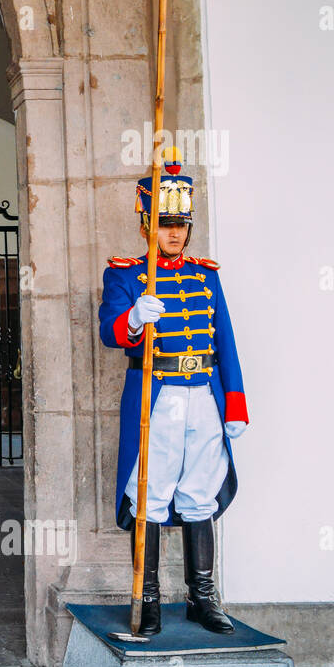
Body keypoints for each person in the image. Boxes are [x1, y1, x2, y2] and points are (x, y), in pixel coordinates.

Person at [97, 149, 247, 636]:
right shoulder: (125, 273)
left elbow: (224, 338)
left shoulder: (207, 274)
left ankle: (203, 598)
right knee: (151, 493)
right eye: (165, 222)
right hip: (155, 396)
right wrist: (133, 318)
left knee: (200, 491)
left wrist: (235, 402)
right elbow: (109, 332)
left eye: (181, 222)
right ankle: (150, 598)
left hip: (203, 394)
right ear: (147, 223)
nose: (176, 232)